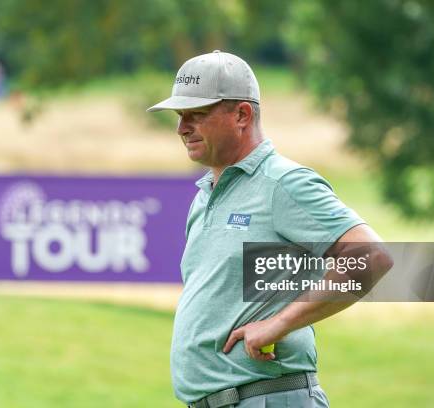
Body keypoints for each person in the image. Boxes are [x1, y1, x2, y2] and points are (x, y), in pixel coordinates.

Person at [147, 50, 393, 408]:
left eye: (196, 115)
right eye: (180, 116)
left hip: (267, 398)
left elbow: (372, 257)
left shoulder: (283, 183)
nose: (182, 128)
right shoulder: (205, 195)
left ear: (242, 114)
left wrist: (280, 323)